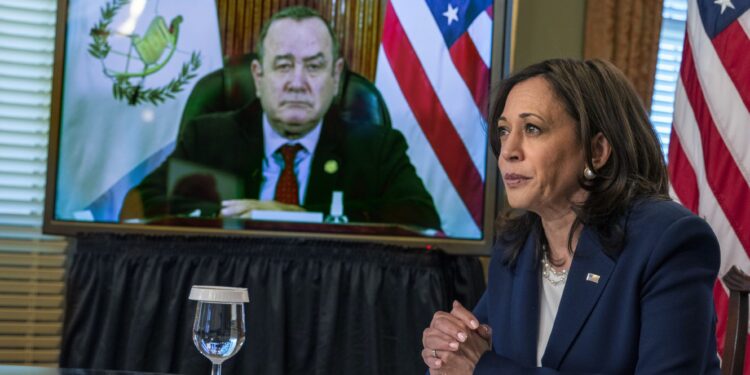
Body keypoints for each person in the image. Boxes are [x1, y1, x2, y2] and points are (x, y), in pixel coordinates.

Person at [421, 58, 721, 373]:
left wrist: (483, 368)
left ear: (597, 151)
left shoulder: (668, 240)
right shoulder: (516, 246)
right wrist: (444, 351)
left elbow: (480, 366)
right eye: (504, 131)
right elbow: (465, 358)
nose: (508, 150)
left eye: (532, 128)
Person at [126, 6, 441, 230]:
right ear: (258, 76)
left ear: (336, 76)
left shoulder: (377, 150)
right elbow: (142, 204)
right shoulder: (209, 138)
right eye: (283, 65)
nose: (297, 82)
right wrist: (239, 216)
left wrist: (295, 216)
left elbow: (421, 222)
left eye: (314, 66)